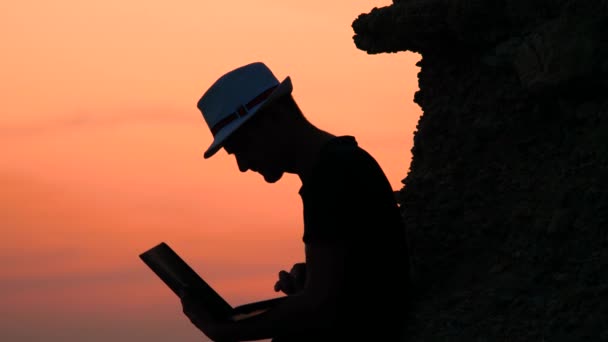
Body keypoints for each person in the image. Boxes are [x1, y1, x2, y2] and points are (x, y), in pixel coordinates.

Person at [180, 62, 412, 341]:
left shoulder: (333, 175)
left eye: (241, 147)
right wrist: (313, 279)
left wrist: (226, 331)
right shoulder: (337, 167)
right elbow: (353, 282)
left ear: (275, 117)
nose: (242, 165)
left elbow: (320, 309)